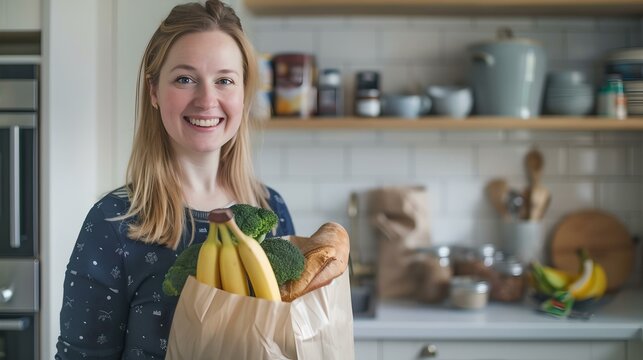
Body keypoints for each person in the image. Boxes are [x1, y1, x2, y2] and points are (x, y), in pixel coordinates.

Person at [55, 1, 295, 358]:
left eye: (225, 80)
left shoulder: (270, 209)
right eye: (185, 79)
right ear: (153, 91)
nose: (206, 99)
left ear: (244, 95)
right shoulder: (114, 223)